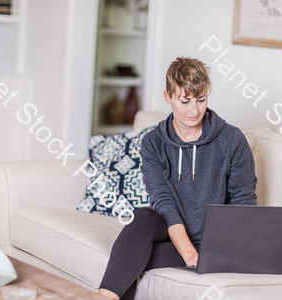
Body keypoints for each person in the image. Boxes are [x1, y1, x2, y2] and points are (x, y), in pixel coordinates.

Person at [97, 57, 257, 300]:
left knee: (129, 258)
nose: (195, 110)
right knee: (144, 217)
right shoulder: (153, 143)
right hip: (172, 239)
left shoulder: (233, 140)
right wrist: (189, 253)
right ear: (168, 96)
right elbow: (164, 202)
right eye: (185, 101)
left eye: (201, 99)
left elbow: (244, 202)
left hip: (213, 247)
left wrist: (230, 251)